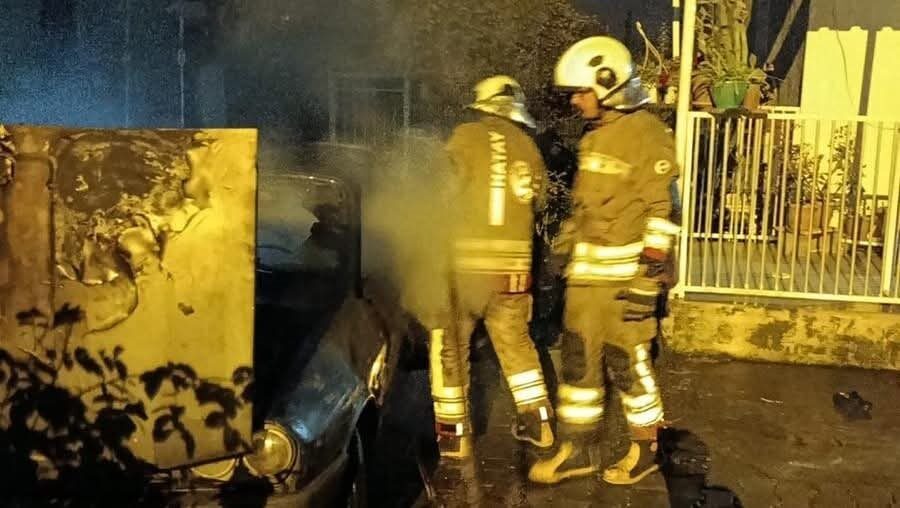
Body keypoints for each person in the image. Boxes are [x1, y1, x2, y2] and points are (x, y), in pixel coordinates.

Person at [528, 36, 681, 486]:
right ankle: (577, 451)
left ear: (608, 84)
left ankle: (646, 447)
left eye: (581, 92)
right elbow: (585, 208)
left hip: (623, 287)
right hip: (585, 288)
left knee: (628, 366)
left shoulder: (648, 135)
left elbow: (664, 212)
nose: (575, 101)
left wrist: (648, 280)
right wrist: (559, 256)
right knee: (578, 369)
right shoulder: (595, 139)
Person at [428, 75, 556, 463]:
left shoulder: (464, 138)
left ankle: (455, 439)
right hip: (513, 273)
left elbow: (441, 194)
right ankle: (541, 426)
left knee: (449, 347)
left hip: (465, 270)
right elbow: (540, 205)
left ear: (482, 107)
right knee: (516, 345)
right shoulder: (529, 149)